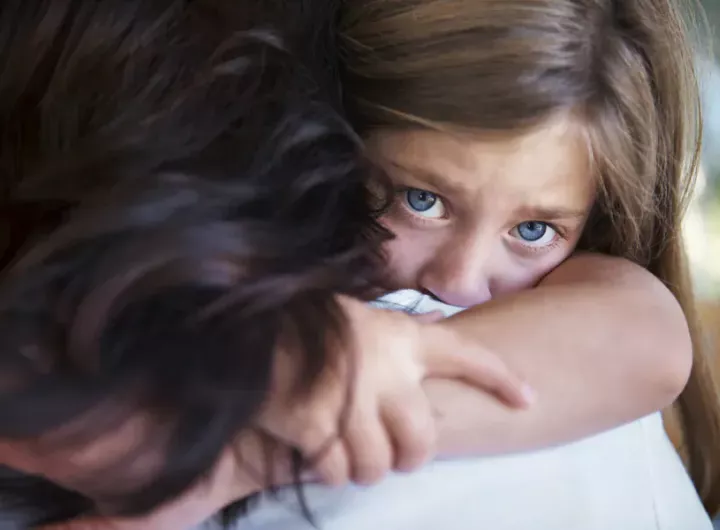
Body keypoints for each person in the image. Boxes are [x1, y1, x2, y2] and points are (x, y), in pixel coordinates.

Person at [3, 0, 718, 528]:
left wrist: (255, 451)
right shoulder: (248, 275)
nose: (461, 279)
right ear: (328, 146)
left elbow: (648, 333)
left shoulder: (565, 317)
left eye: (532, 227)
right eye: (421, 199)